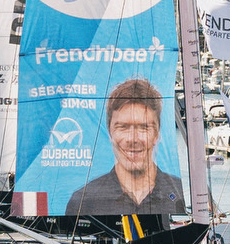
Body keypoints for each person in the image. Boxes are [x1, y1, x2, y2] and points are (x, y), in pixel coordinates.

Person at [60, 75, 183, 220]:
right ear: (110, 133)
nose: (133, 139)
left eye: (143, 127)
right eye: (123, 127)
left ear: (157, 134)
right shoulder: (82, 201)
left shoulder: (181, 194)